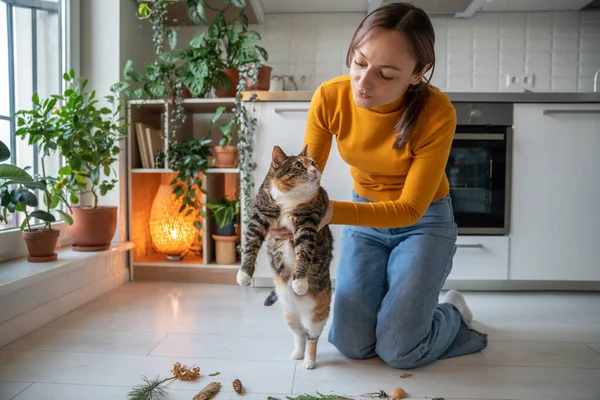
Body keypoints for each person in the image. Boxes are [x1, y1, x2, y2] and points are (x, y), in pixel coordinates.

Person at [268, 2, 488, 369]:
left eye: (386, 74)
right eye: (359, 62)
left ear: (418, 73)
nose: (364, 82)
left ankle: (452, 312)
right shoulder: (330, 98)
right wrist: (278, 214)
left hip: (425, 223)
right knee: (350, 343)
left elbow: (410, 208)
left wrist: (331, 213)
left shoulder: (438, 113)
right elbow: (307, 179)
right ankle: (399, 305)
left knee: (400, 350)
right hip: (365, 217)